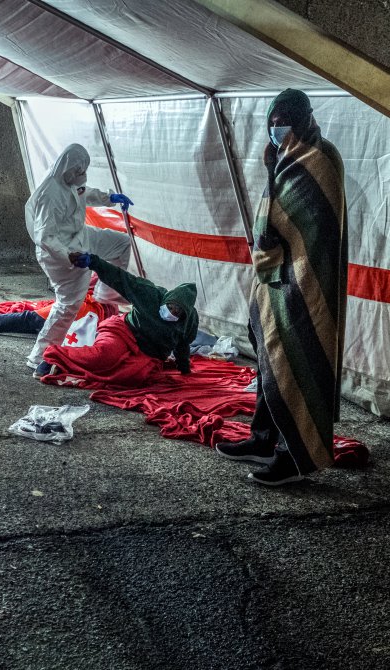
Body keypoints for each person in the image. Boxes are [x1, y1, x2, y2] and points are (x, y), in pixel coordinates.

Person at [214, 89, 348, 487]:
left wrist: (267, 242)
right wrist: (265, 244)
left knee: (295, 360)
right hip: (276, 277)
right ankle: (263, 437)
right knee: (270, 359)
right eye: (272, 123)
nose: (276, 130)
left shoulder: (319, 159)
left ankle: (296, 456)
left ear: (304, 119)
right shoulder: (284, 155)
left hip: (306, 281)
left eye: (283, 121)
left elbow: (302, 222)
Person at [25, 143, 134, 378]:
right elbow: (45, 237)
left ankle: (107, 294)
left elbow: (87, 192)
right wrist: (68, 257)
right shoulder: (50, 195)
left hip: (80, 237)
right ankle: (40, 355)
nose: (83, 174)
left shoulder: (72, 181)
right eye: (80, 170)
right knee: (67, 306)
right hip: (59, 252)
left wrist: (109, 198)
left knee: (122, 243)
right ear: (69, 169)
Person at [35, 253, 196, 386]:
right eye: (171, 307)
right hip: (124, 332)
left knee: (137, 377)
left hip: (148, 353)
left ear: (185, 314)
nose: (172, 312)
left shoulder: (188, 322)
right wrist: (94, 262)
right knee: (104, 355)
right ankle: (55, 357)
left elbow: (183, 345)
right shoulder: (149, 294)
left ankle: (75, 368)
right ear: (166, 299)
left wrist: (184, 368)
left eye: (177, 312)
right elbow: (121, 278)